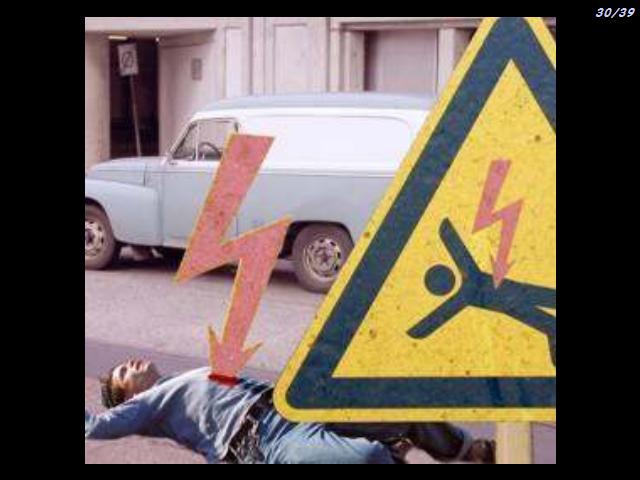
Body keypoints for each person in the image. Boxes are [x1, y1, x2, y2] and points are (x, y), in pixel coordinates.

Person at [85, 358, 496, 464]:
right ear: (128, 397)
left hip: (292, 407)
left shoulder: (180, 379)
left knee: (401, 409)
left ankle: (467, 451)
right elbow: (95, 427)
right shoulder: (146, 406)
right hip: (266, 440)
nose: (129, 364)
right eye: (123, 372)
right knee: (369, 457)